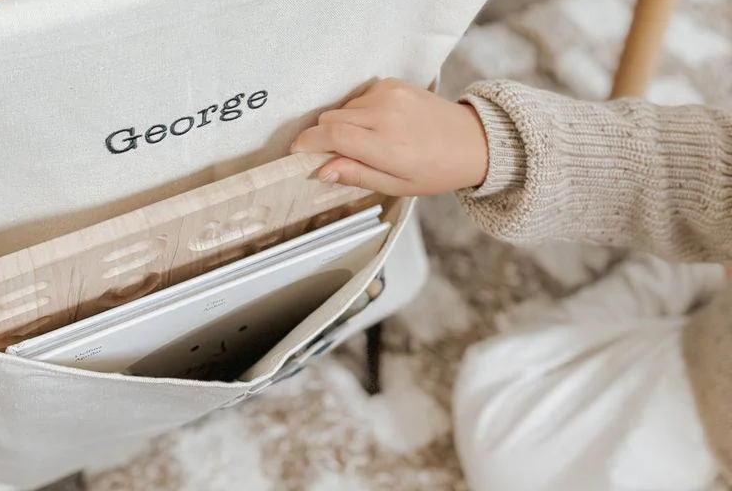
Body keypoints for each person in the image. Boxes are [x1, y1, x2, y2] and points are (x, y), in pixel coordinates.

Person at [290, 78, 732, 491]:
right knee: (501, 429)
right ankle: (679, 271)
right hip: (706, 370)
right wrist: (495, 146)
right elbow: (687, 171)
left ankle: (682, 269)